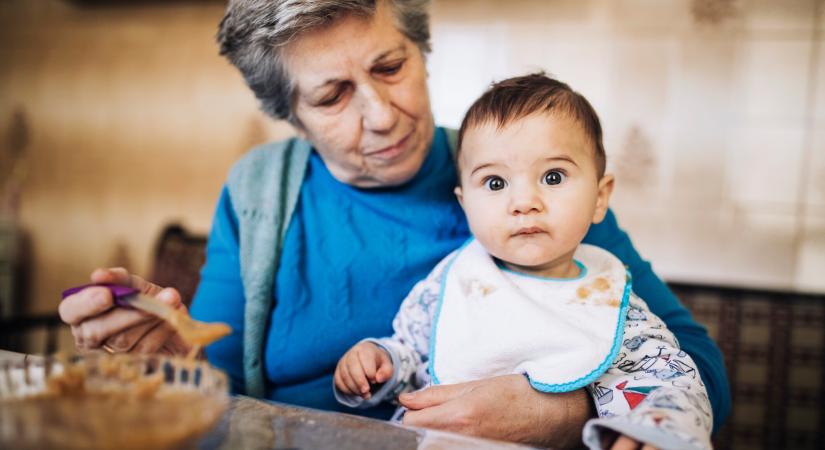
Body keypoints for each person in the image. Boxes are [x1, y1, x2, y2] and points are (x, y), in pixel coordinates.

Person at [57, 1, 730, 447]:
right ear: (291, 116)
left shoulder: (525, 175)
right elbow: (219, 398)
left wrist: (560, 413)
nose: (381, 115)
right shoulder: (259, 190)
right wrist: (172, 361)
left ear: (422, 52)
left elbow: (698, 374)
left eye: (391, 66)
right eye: (332, 95)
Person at [334, 74, 712, 450]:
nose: (524, 202)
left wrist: (657, 430)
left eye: (553, 176)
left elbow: (674, 383)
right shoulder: (455, 280)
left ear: (600, 198)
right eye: (495, 183)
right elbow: (412, 354)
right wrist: (381, 363)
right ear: (465, 204)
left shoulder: (610, 302)